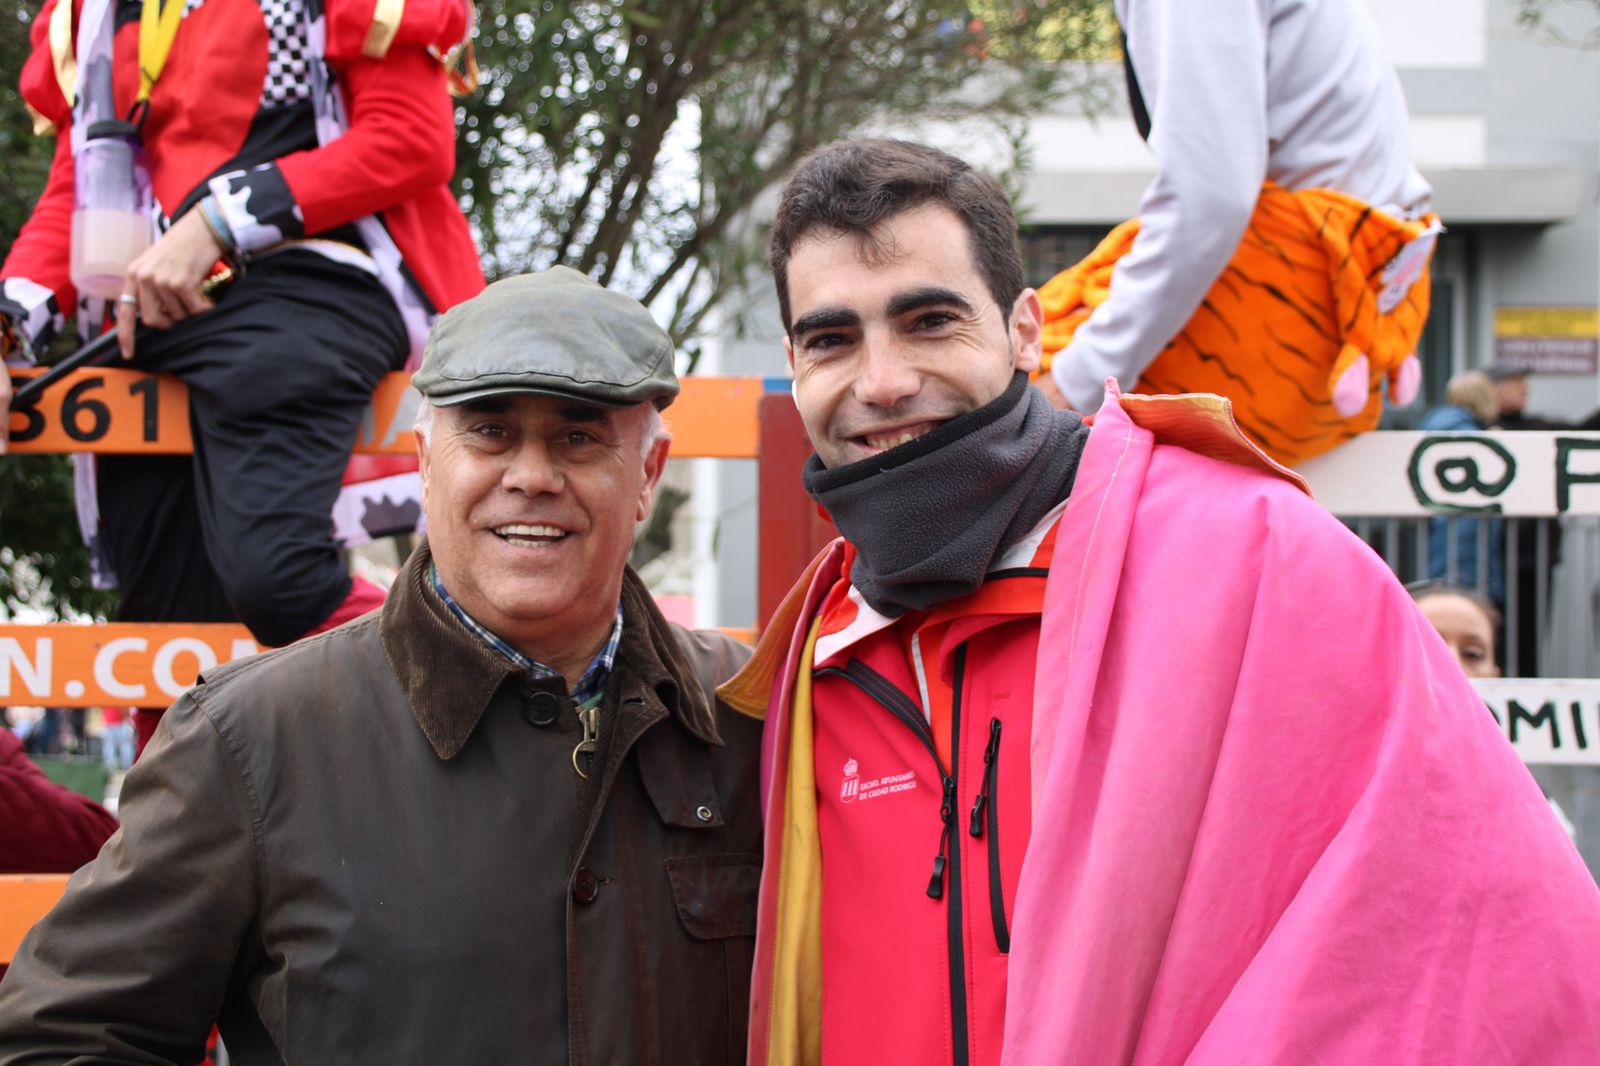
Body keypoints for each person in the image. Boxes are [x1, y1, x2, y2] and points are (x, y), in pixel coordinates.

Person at [722, 138, 1600, 1064]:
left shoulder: (1261, 554)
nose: (884, 381)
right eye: (832, 339)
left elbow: (1493, 929)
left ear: (1027, 330)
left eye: (930, 321)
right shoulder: (811, 659)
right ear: (793, 360)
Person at [0, 269, 763, 1064]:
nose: (533, 475)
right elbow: (61, 1041)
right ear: (426, 463)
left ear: (647, 473)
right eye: (492, 432)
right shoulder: (252, 737)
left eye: (579, 436)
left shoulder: (756, 715)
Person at [1, 0, 486, 756]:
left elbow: (410, 143)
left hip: (303, 286)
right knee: (162, 630)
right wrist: (4, 332)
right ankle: (182, 860)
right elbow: (74, 195)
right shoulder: (94, 15)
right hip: (142, 326)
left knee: (278, 579)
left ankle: (509, 706)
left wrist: (218, 222)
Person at [1035, 0, 1439, 467]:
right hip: (1343, 304)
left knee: (1008, 372)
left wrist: (1073, 381)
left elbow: (1210, 198)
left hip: (1275, 301)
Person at [1419, 370, 1503, 604]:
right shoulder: (1469, 436)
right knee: (1463, 599)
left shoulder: (1438, 425)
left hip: (1443, 535)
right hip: (1463, 538)